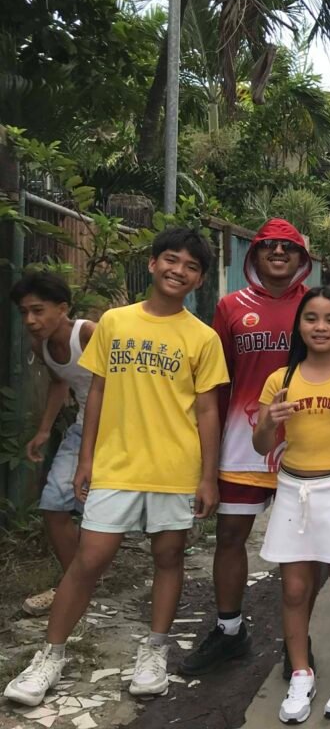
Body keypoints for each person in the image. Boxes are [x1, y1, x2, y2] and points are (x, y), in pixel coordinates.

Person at [4, 227, 229, 707]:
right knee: (88, 560)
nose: (179, 271)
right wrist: (85, 458)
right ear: (152, 264)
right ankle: (49, 656)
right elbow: (98, 391)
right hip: (115, 464)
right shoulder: (113, 322)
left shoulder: (203, 337)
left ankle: (154, 652)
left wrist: (207, 476)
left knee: (168, 558)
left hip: (174, 468)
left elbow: (208, 410)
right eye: (171, 260)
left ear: (199, 280)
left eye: (191, 267)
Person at [183, 220, 312, 678]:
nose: (278, 253)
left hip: (306, 445)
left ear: (302, 258)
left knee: (303, 546)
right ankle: (230, 630)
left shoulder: (315, 306)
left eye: (288, 247)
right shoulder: (230, 307)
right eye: (268, 246)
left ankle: (300, 641)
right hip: (243, 443)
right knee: (231, 537)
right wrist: (208, 458)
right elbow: (216, 385)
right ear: (253, 254)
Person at [254, 286, 330, 724]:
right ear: (299, 326)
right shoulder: (280, 380)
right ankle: (300, 673)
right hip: (293, 490)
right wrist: (267, 423)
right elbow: (261, 444)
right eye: (311, 318)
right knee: (293, 589)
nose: (320, 327)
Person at [10, 272, 96, 616]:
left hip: (123, 432)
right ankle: (76, 586)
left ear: (62, 308)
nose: (30, 320)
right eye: (24, 312)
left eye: (38, 310)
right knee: (53, 506)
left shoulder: (88, 334)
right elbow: (60, 383)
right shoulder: (42, 346)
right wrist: (44, 430)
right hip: (82, 428)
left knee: (102, 512)